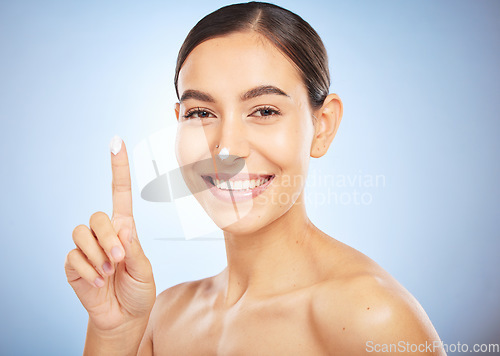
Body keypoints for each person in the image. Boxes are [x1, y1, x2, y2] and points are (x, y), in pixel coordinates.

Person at [65, 2, 446, 355]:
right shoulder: (163, 316)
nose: (227, 149)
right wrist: (112, 335)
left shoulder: (372, 318)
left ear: (322, 126)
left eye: (263, 110)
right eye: (200, 113)